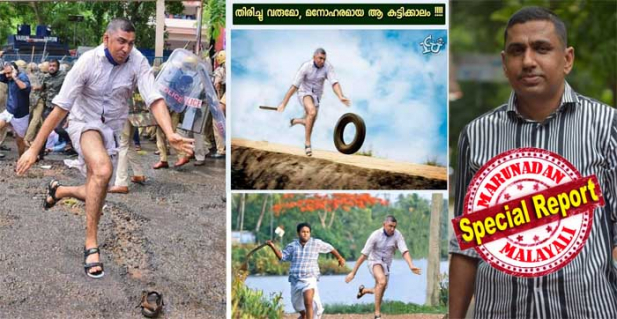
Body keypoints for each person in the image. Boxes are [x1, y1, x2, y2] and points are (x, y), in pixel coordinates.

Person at [449, 7, 617, 318]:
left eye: (541, 48)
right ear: (504, 63)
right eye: (517, 51)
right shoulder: (476, 135)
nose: (528, 61)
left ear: (567, 59)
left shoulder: (606, 127)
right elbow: (465, 247)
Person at [16, 18, 193, 279]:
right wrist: (33, 149)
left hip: (110, 129)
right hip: (84, 123)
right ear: (106, 38)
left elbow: (154, 98)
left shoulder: (137, 62)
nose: (126, 48)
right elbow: (60, 108)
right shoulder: (87, 62)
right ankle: (91, 244)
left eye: (131, 43)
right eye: (121, 41)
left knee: (96, 190)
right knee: (102, 170)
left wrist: (169, 133)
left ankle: (60, 190)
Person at [277, 48, 350, 156]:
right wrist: (283, 103)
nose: (322, 61)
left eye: (324, 59)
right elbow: (294, 87)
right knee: (312, 112)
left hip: (317, 97)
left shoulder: (327, 67)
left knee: (309, 122)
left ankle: (296, 121)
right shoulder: (306, 67)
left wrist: (340, 96)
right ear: (314, 57)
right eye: (320, 58)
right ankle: (307, 144)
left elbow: (334, 83)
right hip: (304, 93)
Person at [345, 215, 421, 319]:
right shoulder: (375, 236)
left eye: (394, 226)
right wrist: (353, 272)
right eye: (390, 226)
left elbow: (404, 251)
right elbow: (364, 255)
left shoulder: (397, 235)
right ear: (384, 224)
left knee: (381, 289)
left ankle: (364, 291)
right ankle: (377, 315)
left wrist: (411, 266)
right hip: (374, 261)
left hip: (386, 265)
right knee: (382, 281)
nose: (392, 229)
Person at [266, 222, 346, 319]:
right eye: (303, 232)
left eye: (308, 232)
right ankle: (303, 315)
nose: (305, 234)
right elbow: (282, 257)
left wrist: (340, 258)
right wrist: (272, 246)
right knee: (298, 307)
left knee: (308, 302)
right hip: (295, 280)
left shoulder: (316, 243)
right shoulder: (292, 246)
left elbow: (330, 248)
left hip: (310, 278)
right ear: (298, 233)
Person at [0, 61, 31, 157]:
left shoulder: (22, 77)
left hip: (20, 115)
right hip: (9, 111)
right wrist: (3, 71)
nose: (7, 75)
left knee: (19, 141)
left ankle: (21, 158)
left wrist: (14, 76)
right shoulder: (7, 76)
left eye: (9, 73)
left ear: (15, 70)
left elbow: (23, 87)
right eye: (6, 73)